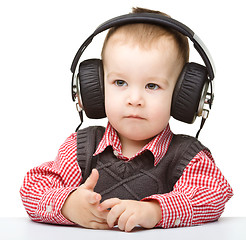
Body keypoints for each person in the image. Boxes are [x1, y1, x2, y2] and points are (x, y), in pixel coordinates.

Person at [20, 7, 233, 232]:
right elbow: (34, 188)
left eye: (152, 86)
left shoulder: (188, 157)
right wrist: (68, 204)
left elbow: (214, 194)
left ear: (184, 97)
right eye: (120, 83)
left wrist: (155, 211)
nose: (134, 99)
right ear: (96, 89)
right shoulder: (79, 149)